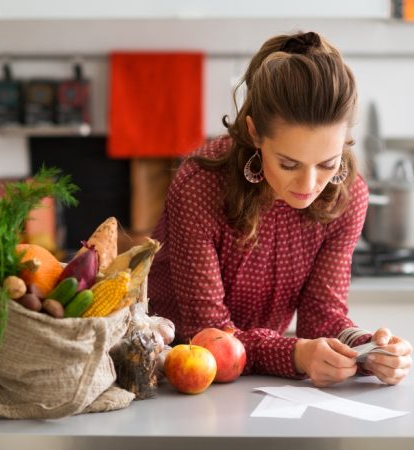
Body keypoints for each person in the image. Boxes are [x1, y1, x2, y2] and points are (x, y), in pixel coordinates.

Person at [148, 31, 412, 387]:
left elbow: (322, 317)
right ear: (255, 132)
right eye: (289, 164)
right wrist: (295, 354)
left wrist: (366, 350)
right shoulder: (200, 187)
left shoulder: (347, 198)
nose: (309, 186)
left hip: (259, 382)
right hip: (170, 373)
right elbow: (208, 334)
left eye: (327, 163)